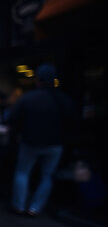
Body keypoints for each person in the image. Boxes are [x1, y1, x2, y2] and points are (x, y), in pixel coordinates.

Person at [7, 63, 77, 217]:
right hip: (55, 144)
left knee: (22, 173)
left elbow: (13, 120)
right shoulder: (64, 100)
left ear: (38, 80)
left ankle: (19, 205)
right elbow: (73, 123)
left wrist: (15, 137)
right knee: (47, 175)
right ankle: (35, 208)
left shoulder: (28, 98)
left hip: (30, 142)